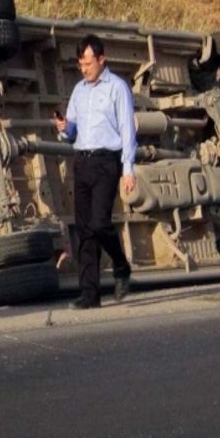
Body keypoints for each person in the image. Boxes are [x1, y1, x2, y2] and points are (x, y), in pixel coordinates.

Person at [55, 35, 137, 309]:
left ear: (101, 60)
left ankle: (121, 265)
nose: (84, 69)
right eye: (81, 65)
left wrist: (128, 169)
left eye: (88, 64)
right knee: (85, 230)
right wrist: (65, 127)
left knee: (100, 223)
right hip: (82, 161)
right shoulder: (79, 90)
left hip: (106, 161)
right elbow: (72, 131)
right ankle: (90, 295)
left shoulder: (117, 88)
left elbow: (127, 130)